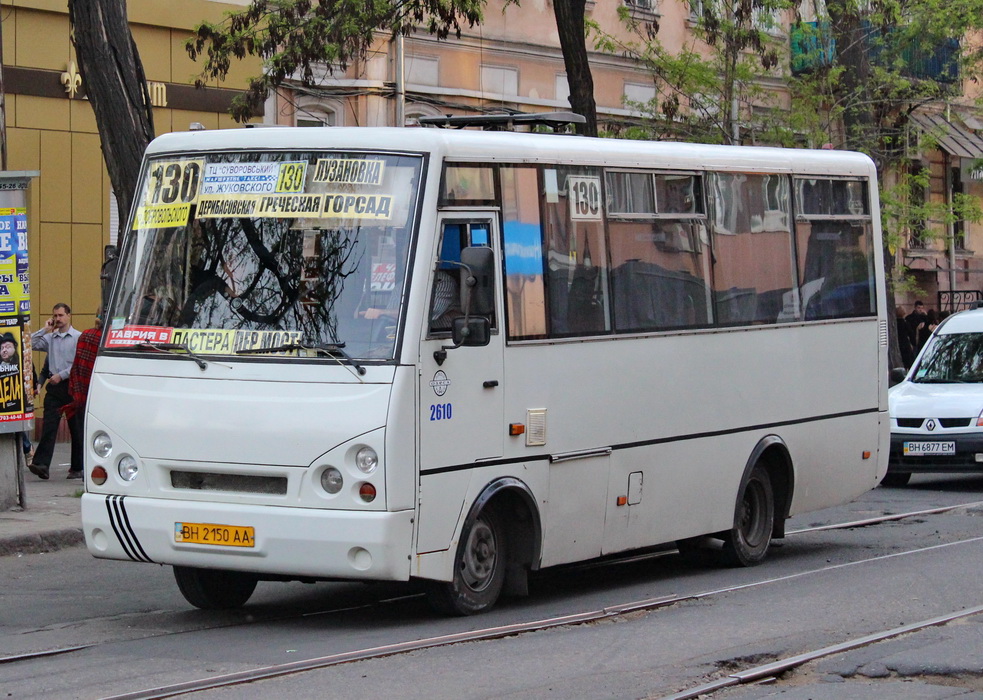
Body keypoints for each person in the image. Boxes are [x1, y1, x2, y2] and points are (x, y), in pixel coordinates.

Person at [28, 303, 82, 480]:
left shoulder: (77, 338)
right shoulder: (50, 338)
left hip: (71, 386)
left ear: (69, 316)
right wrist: (45, 329)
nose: (58, 319)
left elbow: (77, 364)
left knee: (76, 428)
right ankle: (41, 464)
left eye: (61, 315)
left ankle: (77, 467)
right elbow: (29, 343)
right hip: (54, 387)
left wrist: (62, 374)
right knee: (49, 426)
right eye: (55, 316)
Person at [61, 311, 103, 476]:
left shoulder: (85, 335)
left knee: (82, 431)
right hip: (102, 391)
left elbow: (79, 364)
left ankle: (79, 467)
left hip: (81, 390)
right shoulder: (108, 340)